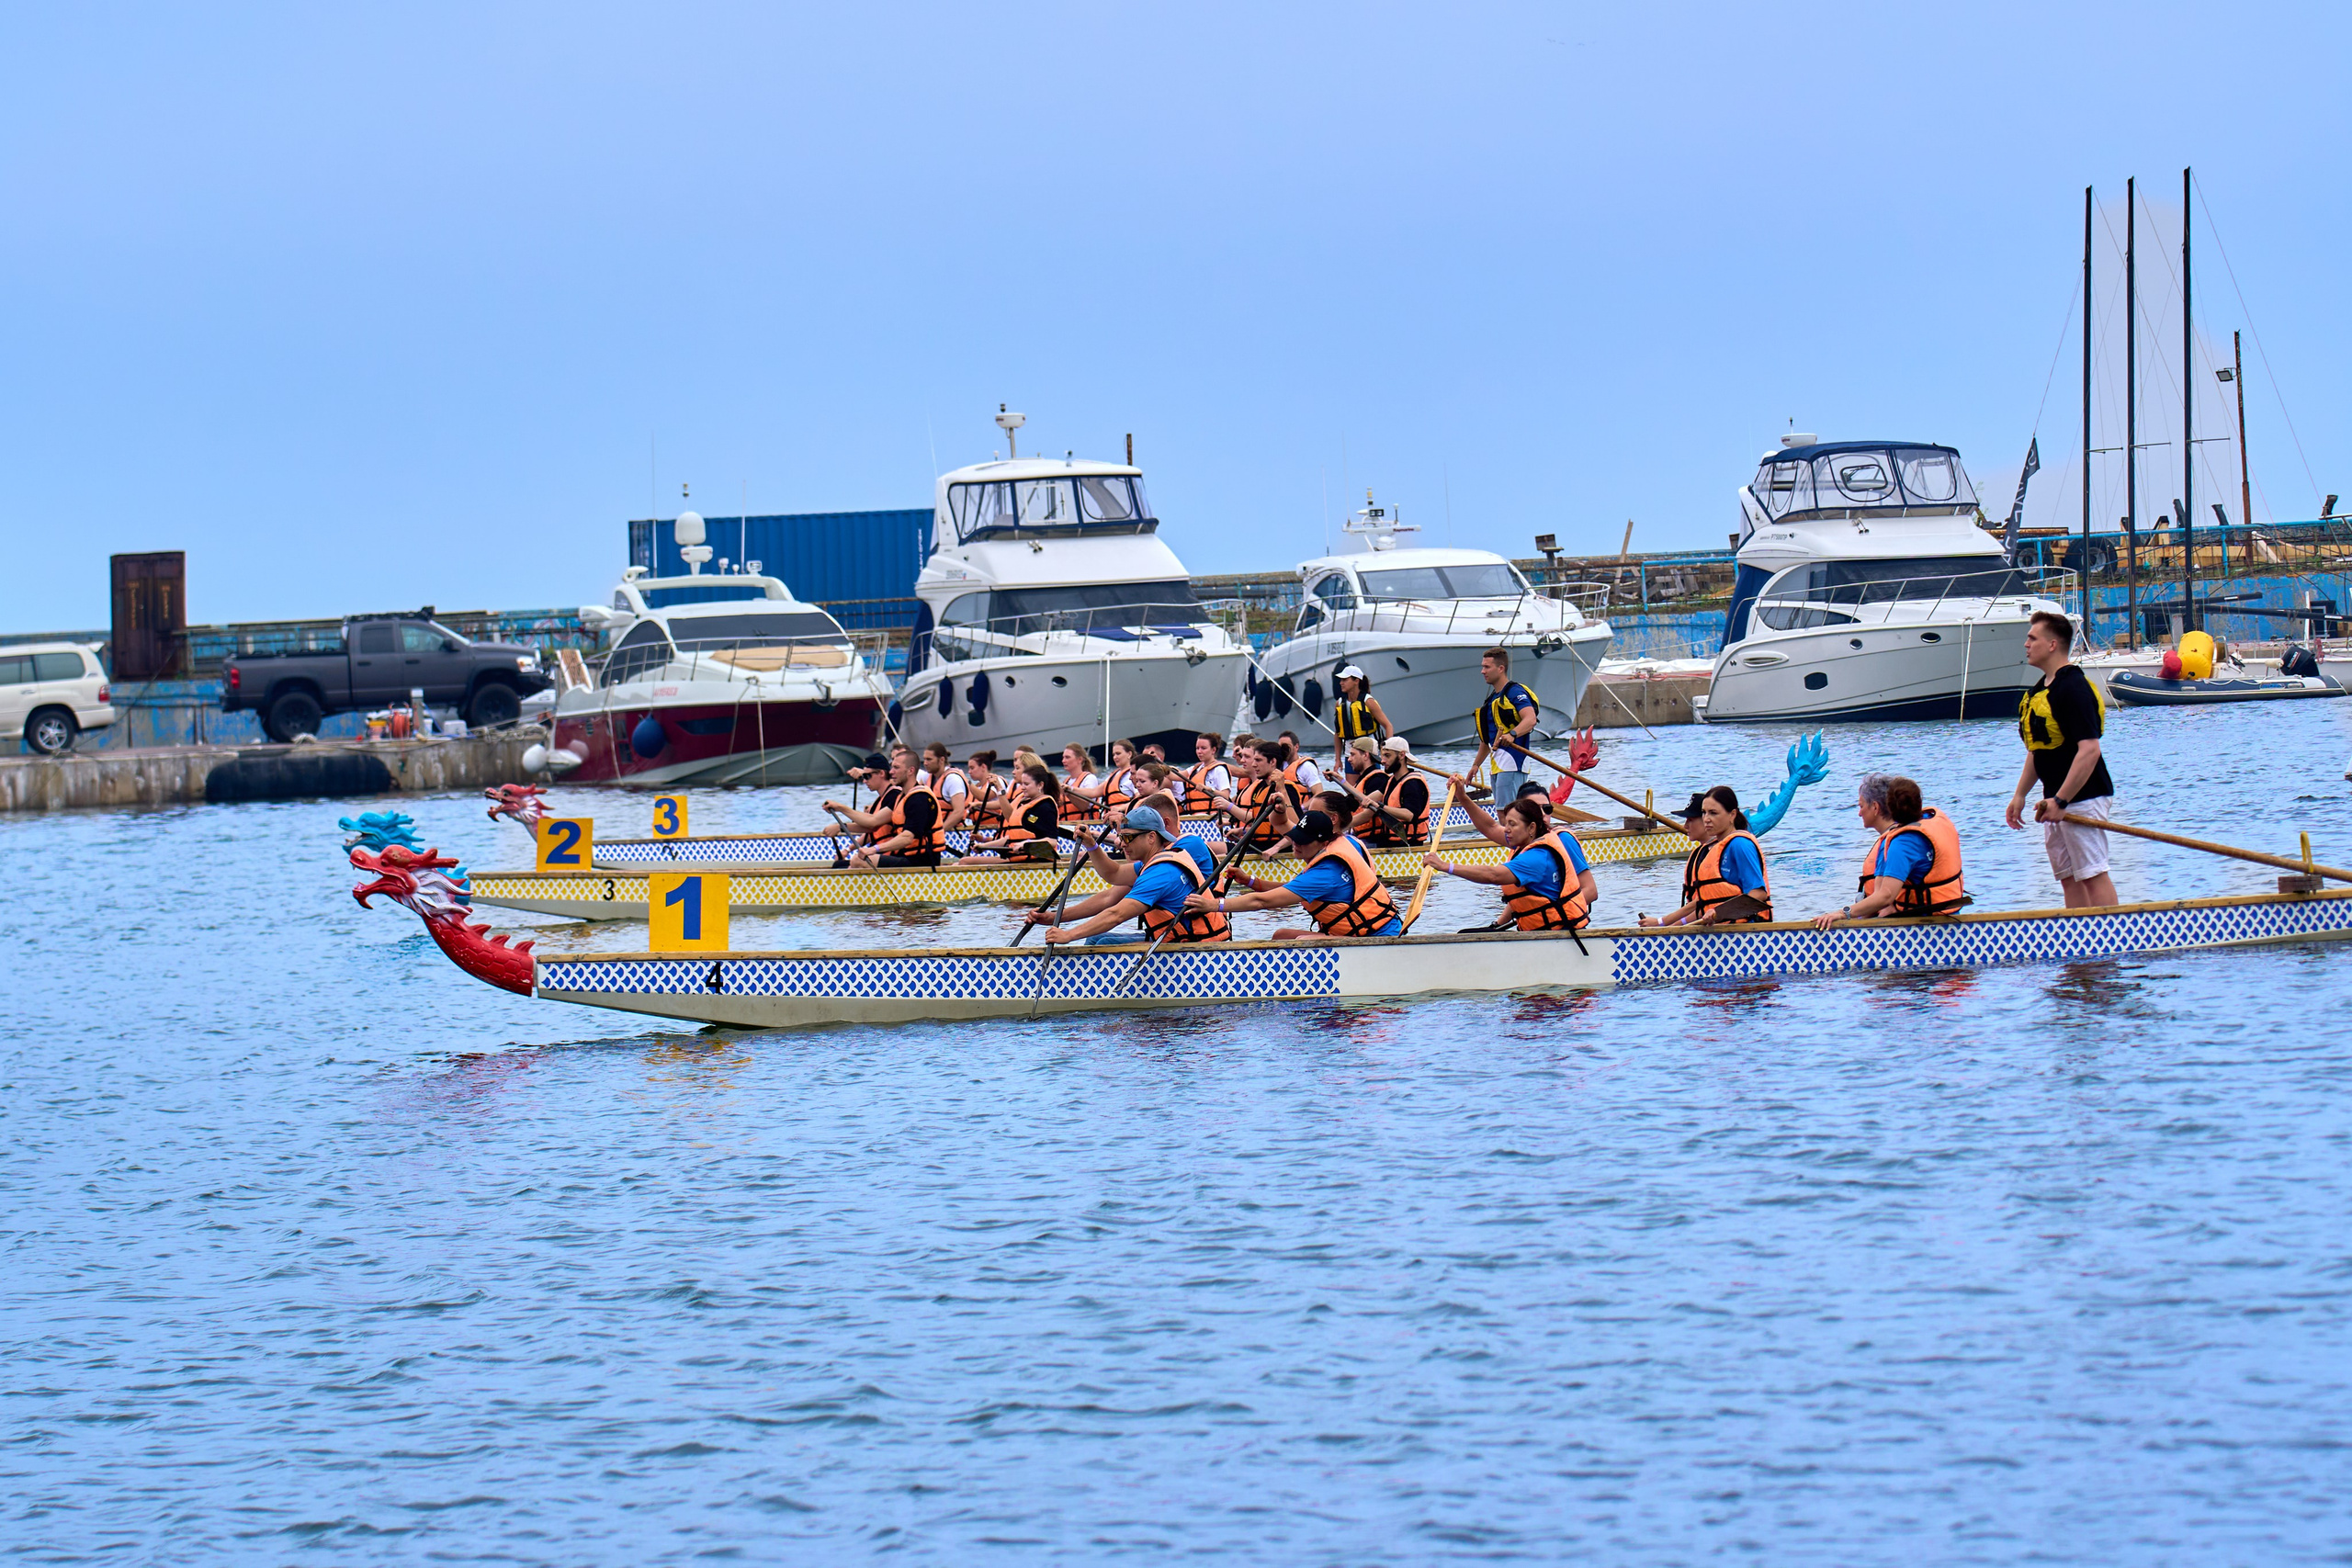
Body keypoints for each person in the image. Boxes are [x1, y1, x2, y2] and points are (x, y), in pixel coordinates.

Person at [2007, 609, 2119, 908]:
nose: (2026, 644)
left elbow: (2090, 750)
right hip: (2054, 801)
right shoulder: (2039, 691)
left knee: (2091, 873)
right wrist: (2020, 795)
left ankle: (2114, 936)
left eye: (2032, 638)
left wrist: (2063, 801)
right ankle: (2082, 941)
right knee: (2068, 876)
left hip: (2083, 797)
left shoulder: (2074, 688)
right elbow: (2037, 750)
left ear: (2053, 644)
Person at [1033, 805, 1234, 947]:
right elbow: (1114, 873)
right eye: (1121, 837)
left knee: (1103, 942)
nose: (1122, 844)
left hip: (1194, 948)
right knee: (1096, 939)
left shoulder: (1162, 872)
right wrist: (1091, 844)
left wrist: (1068, 935)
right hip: (1176, 938)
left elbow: (1117, 914)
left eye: (1128, 837)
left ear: (1151, 837)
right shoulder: (1154, 862)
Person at [1188, 809, 1404, 940]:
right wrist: (1251, 881)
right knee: (1280, 936)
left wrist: (1213, 906)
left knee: (1299, 941)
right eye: (1295, 837)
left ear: (1323, 842)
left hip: (1374, 938)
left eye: (1303, 841)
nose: (1296, 844)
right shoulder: (1342, 843)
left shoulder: (1325, 873)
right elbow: (1289, 890)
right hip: (1375, 927)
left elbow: (1261, 902)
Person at [1425, 786, 1596, 931]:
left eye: (1547, 808)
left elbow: (1493, 875)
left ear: (1531, 827)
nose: (1506, 830)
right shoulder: (1524, 841)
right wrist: (1462, 797)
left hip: (1560, 934)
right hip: (1538, 931)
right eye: (1536, 807)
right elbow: (1490, 827)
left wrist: (1445, 866)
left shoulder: (1542, 853)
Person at [1812, 774, 1966, 928]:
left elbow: (1884, 896)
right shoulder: (1928, 822)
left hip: (1923, 928)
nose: (1859, 813)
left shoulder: (1901, 843)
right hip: (1950, 918)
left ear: (1876, 807)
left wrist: (1842, 913)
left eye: (1861, 806)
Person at [1644, 785, 1770, 925]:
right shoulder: (1714, 848)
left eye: (1713, 813)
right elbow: (1705, 903)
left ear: (1732, 815)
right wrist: (1665, 927)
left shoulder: (1740, 845)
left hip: (1747, 935)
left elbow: (1758, 894)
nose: (1707, 819)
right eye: (1704, 813)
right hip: (1720, 933)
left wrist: (1719, 912)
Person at [821, 748, 943, 867]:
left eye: (896, 768)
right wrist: (844, 836)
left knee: (858, 861)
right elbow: (873, 826)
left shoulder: (919, 798)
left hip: (922, 862)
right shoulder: (902, 797)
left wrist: (874, 849)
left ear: (910, 771)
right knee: (841, 864)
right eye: (892, 767)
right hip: (904, 856)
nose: (891, 772)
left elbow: (907, 838)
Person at [1464, 647, 1540, 804]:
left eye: (1487, 667)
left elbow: (1530, 719)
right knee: (1503, 814)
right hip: (1497, 765)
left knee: (1509, 814)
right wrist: (1476, 765)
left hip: (1512, 763)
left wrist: (1512, 735)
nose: (1482, 671)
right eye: (1482, 667)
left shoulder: (1514, 692)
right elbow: (1487, 740)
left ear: (1500, 669)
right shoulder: (1491, 700)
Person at [961, 762, 1067, 863]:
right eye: (1022, 784)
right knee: (963, 861)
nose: (1023, 787)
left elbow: (1052, 841)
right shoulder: (1024, 804)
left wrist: (1026, 844)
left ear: (1040, 785)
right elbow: (1011, 837)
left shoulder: (1046, 807)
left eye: (1026, 784)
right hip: (1018, 859)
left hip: (1037, 862)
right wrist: (984, 845)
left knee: (965, 862)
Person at [1212, 738, 1300, 852]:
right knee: (1206, 851)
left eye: (1258, 760)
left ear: (1272, 762)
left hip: (1272, 851)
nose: (1253, 765)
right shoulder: (1260, 787)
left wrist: (1276, 848)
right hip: (1255, 846)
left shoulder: (1286, 788)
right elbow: (1260, 822)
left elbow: (1297, 828)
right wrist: (1242, 831)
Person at [1363, 735, 1434, 846]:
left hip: (1409, 844)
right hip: (1391, 841)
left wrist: (1380, 807)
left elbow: (1409, 815)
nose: (1382, 761)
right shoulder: (1391, 781)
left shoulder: (1413, 783)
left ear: (1401, 755)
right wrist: (1341, 781)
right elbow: (1365, 799)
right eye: (1382, 756)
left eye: (1387, 756)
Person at [1329, 665, 1393, 772]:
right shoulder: (1339, 703)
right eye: (1341, 680)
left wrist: (1388, 752)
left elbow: (1388, 725)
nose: (1341, 683)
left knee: (1371, 784)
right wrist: (1337, 760)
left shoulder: (1368, 701)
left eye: (1345, 680)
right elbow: (1338, 734)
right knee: (1352, 788)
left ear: (1356, 681)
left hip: (1369, 750)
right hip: (1350, 750)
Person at [922, 741, 973, 831]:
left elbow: (959, 812)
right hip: (933, 829)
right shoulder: (928, 777)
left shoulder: (952, 780)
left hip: (954, 832)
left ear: (941, 760)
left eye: (929, 759)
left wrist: (938, 832)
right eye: (924, 759)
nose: (925, 763)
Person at [1182, 733, 1233, 818]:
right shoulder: (1197, 768)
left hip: (1213, 818)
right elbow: (1174, 776)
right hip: (1195, 817)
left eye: (1203, 748)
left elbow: (1225, 796)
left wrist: (1210, 790)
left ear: (1213, 750)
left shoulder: (1219, 770)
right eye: (1197, 748)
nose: (1199, 752)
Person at [963, 751, 1011, 838]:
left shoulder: (997, 781)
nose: (969, 772)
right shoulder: (977, 787)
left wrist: (967, 782)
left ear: (983, 767)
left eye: (972, 768)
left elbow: (984, 797)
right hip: (979, 830)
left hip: (994, 829)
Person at [1101, 739, 1142, 818]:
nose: (1115, 757)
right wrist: (1071, 789)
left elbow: (1140, 799)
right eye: (1113, 755)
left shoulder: (1134, 775)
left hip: (1125, 818)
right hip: (1110, 819)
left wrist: (1120, 808)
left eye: (1118, 754)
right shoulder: (1114, 775)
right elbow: (1093, 792)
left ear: (1129, 754)